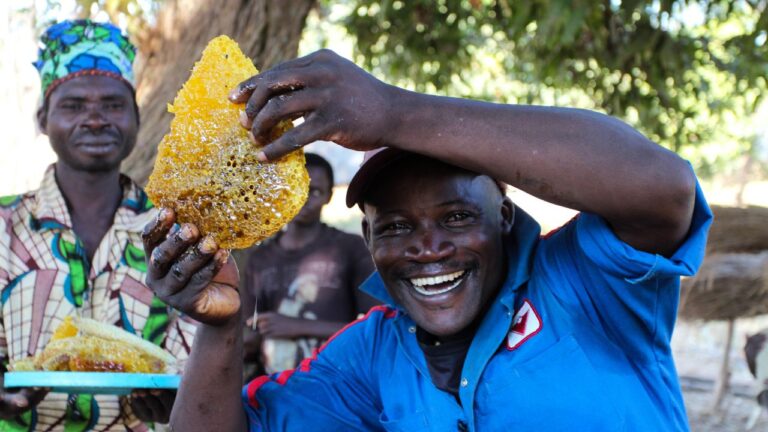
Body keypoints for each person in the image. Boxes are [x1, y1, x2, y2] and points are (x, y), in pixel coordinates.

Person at [142, 49, 713, 431]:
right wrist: (219, 329)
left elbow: (662, 189)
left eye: (458, 217)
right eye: (395, 227)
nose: (428, 248)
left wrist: (394, 112)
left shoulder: (582, 284)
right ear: (367, 238)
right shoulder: (370, 355)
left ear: (505, 216)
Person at [0, 20, 196, 430]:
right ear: (42, 119)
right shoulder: (3, 225)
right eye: (73, 106)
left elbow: (196, 355)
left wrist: (179, 396)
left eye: (112, 104)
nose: (94, 119)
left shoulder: (179, 231)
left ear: (136, 118)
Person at [241, 153, 378, 379]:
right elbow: (249, 331)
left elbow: (376, 326)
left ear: (328, 196)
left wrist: (297, 326)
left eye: (314, 192)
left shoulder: (350, 248)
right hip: (275, 387)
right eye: (297, 189)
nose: (304, 200)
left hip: (340, 383)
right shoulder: (260, 258)